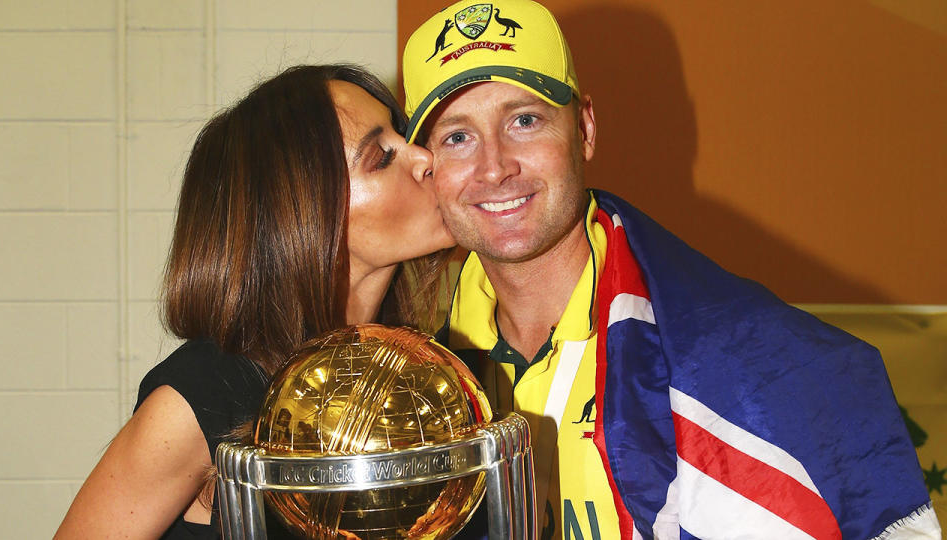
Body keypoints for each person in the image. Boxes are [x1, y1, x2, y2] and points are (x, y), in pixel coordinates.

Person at [402, 1, 940, 538]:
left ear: (585, 128)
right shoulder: (410, 381)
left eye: (525, 120)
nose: (495, 167)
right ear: (426, 167)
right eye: (457, 137)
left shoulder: (745, 362)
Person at [54, 64, 455, 539]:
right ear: (305, 211)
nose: (426, 157)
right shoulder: (204, 395)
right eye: (381, 157)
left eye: (404, 135)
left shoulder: (427, 369)